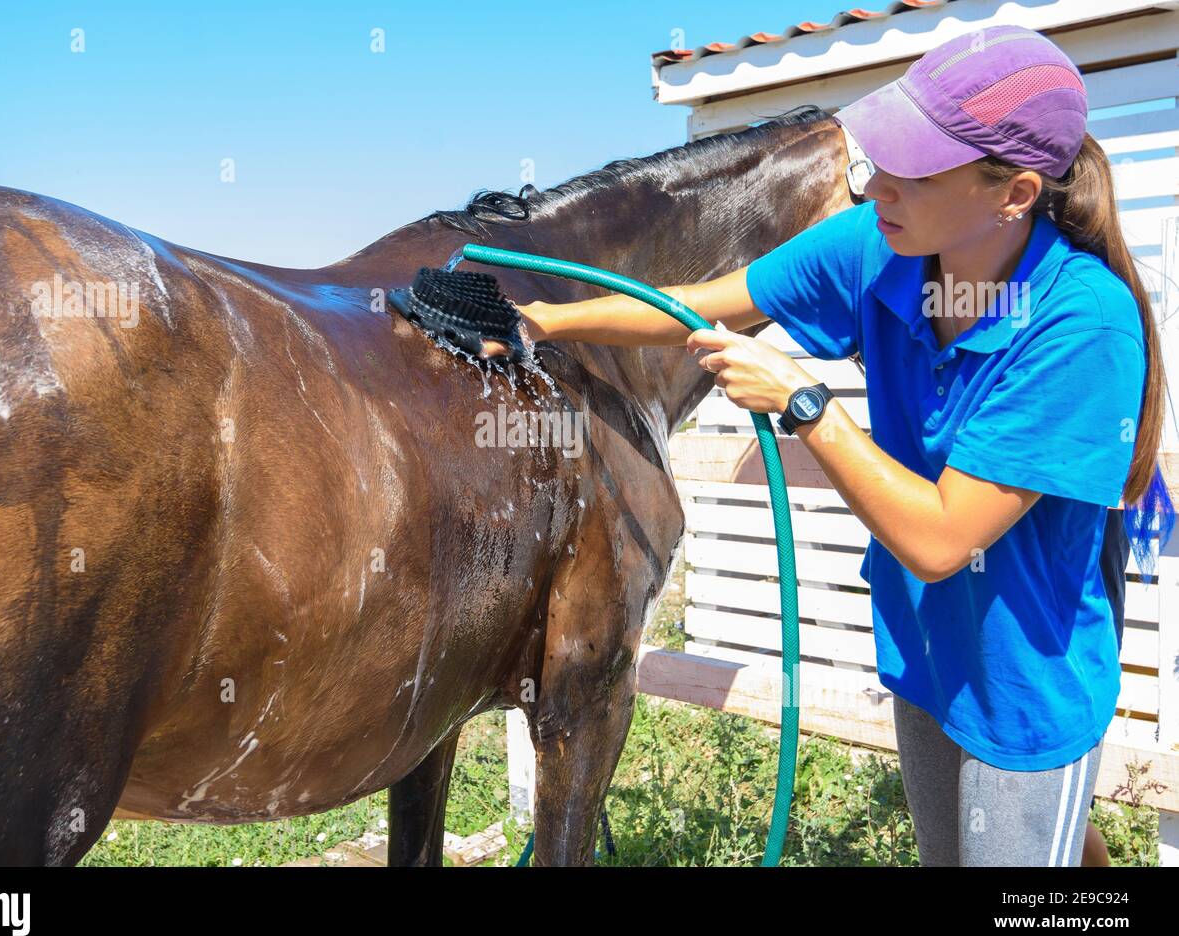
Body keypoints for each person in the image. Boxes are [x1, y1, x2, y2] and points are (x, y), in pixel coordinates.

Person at [483, 25, 1174, 865]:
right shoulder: (881, 244)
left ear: (1015, 193)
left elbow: (940, 539)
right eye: (881, 156)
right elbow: (707, 305)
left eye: (912, 169)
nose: (874, 183)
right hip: (929, 652)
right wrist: (545, 318)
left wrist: (807, 404)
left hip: (1027, 681)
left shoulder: (1082, 323)